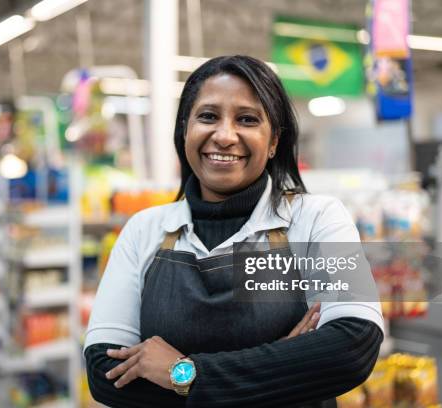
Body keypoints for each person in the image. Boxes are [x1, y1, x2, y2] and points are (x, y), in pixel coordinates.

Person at [84, 55, 384, 407]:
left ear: (273, 141)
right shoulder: (143, 231)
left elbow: (351, 347)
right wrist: (286, 369)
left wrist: (184, 373)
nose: (225, 136)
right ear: (184, 131)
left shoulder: (316, 219)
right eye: (208, 116)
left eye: (247, 119)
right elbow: (105, 373)